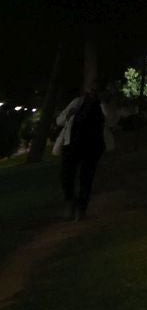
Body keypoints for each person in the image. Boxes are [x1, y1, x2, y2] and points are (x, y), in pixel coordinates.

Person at [51, 81, 113, 221]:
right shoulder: (77, 102)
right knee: (66, 175)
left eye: (95, 90)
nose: (92, 92)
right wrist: (68, 115)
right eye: (91, 89)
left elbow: (112, 120)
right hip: (72, 144)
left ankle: (81, 208)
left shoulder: (103, 105)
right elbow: (59, 120)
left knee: (86, 177)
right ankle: (70, 201)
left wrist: (103, 104)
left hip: (93, 146)